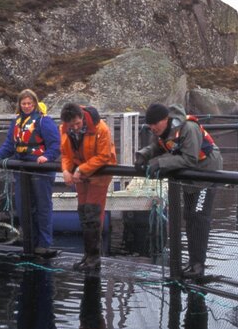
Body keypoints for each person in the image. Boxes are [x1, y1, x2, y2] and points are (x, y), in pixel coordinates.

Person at [134, 103, 223, 279]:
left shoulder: (188, 128)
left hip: (206, 176)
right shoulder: (164, 131)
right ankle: (192, 263)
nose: (152, 128)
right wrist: (144, 154)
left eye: (155, 124)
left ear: (165, 120)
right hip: (190, 180)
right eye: (150, 125)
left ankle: (198, 265)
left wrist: (160, 163)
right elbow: (157, 147)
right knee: (189, 217)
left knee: (199, 220)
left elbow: (189, 158)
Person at [0, 89, 61, 256]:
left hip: (40, 170)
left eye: (30, 103)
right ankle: (30, 242)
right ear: (19, 105)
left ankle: (44, 244)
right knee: (24, 207)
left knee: (42, 206)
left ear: (35, 104)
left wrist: (47, 157)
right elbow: (9, 144)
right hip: (22, 168)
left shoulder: (44, 121)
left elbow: (55, 144)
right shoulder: (16, 122)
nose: (27, 106)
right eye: (24, 103)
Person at [59, 102, 118, 273]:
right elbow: (65, 154)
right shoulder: (64, 129)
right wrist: (65, 170)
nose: (76, 128)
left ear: (83, 117)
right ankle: (88, 255)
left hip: (99, 175)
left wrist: (81, 169)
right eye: (72, 125)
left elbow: (104, 156)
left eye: (78, 123)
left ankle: (94, 258)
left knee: (93, 213)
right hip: (81, 175)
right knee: (83, 212)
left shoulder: (101, 128)